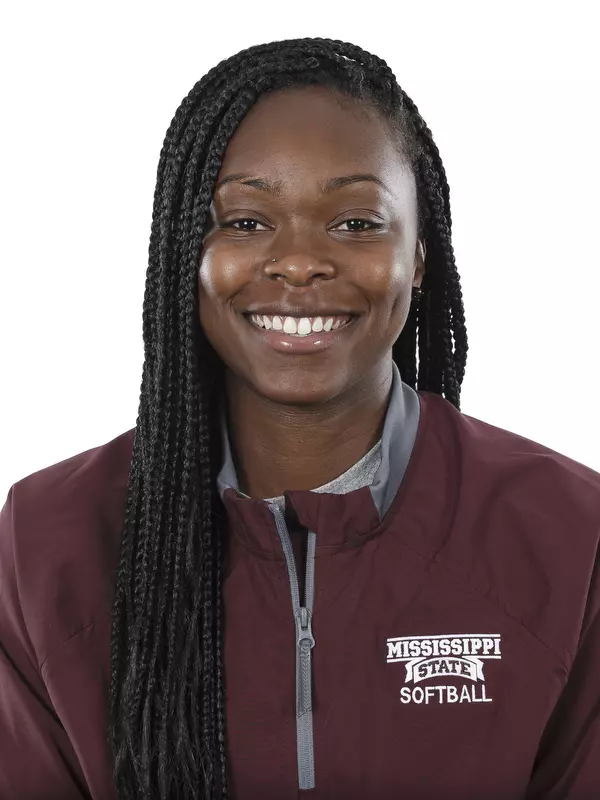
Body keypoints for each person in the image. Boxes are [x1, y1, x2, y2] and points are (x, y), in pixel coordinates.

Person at [0, 37, 599, 800]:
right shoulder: (47, 541)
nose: (298, 262)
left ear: (420, 255)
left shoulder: (569, 531)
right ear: (184, 251)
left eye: (355, 223)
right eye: (246, 222)